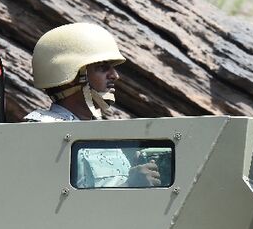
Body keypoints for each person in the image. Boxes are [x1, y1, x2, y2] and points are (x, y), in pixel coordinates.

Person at [24, 23, 161, 188]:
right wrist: (129, 185)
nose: (115, 76)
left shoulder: (97, 131)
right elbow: (55, 201)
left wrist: (134, 171)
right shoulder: (43, 132)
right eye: (102, 68)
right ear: (72, 75)